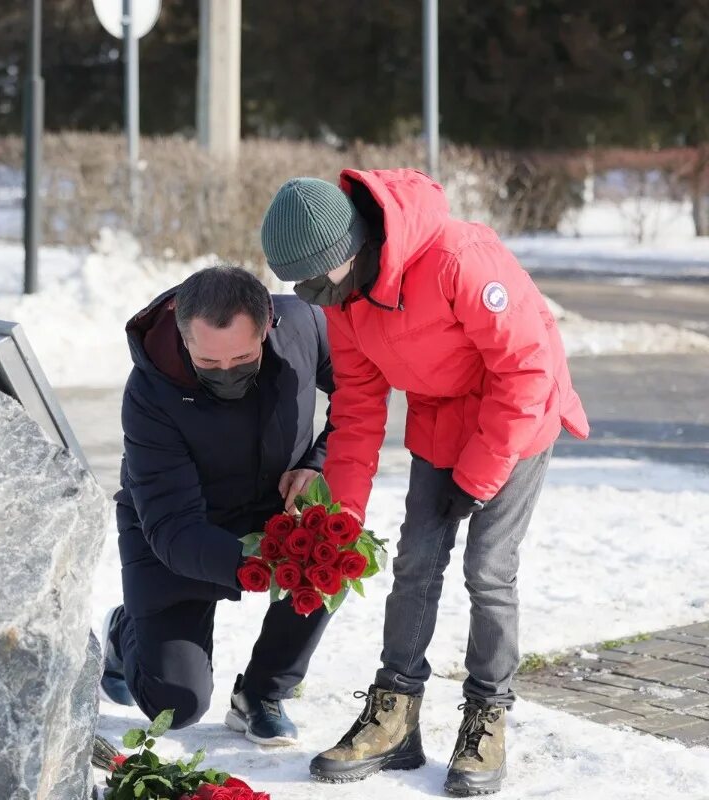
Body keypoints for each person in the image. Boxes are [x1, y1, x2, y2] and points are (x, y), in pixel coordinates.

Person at [259, 171, 588, 795]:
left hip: (518, 417)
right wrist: (342, 517)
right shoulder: (348, 301)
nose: (308, 298)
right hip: (441, 421)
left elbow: (525, 370)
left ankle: (487, 715)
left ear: (349, 252)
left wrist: (483, 473)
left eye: (313, 282)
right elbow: (357, 408)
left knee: (488, 569)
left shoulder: (459, 260)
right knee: (414, 564)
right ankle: (395, 715)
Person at [100, 265, 335, 746]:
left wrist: (318, 462)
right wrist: (260, 565)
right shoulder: (149, 392)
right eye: (209, 363)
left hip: (278, 503)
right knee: (175, 704)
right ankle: (127, 631)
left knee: (333, 544)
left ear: (269, 323)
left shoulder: (306, 324)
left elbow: (361, 396)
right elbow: (173, 530)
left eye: (244, 358)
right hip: (177, 527)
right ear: (185, 338)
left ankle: (264, 691)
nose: (227, 373)